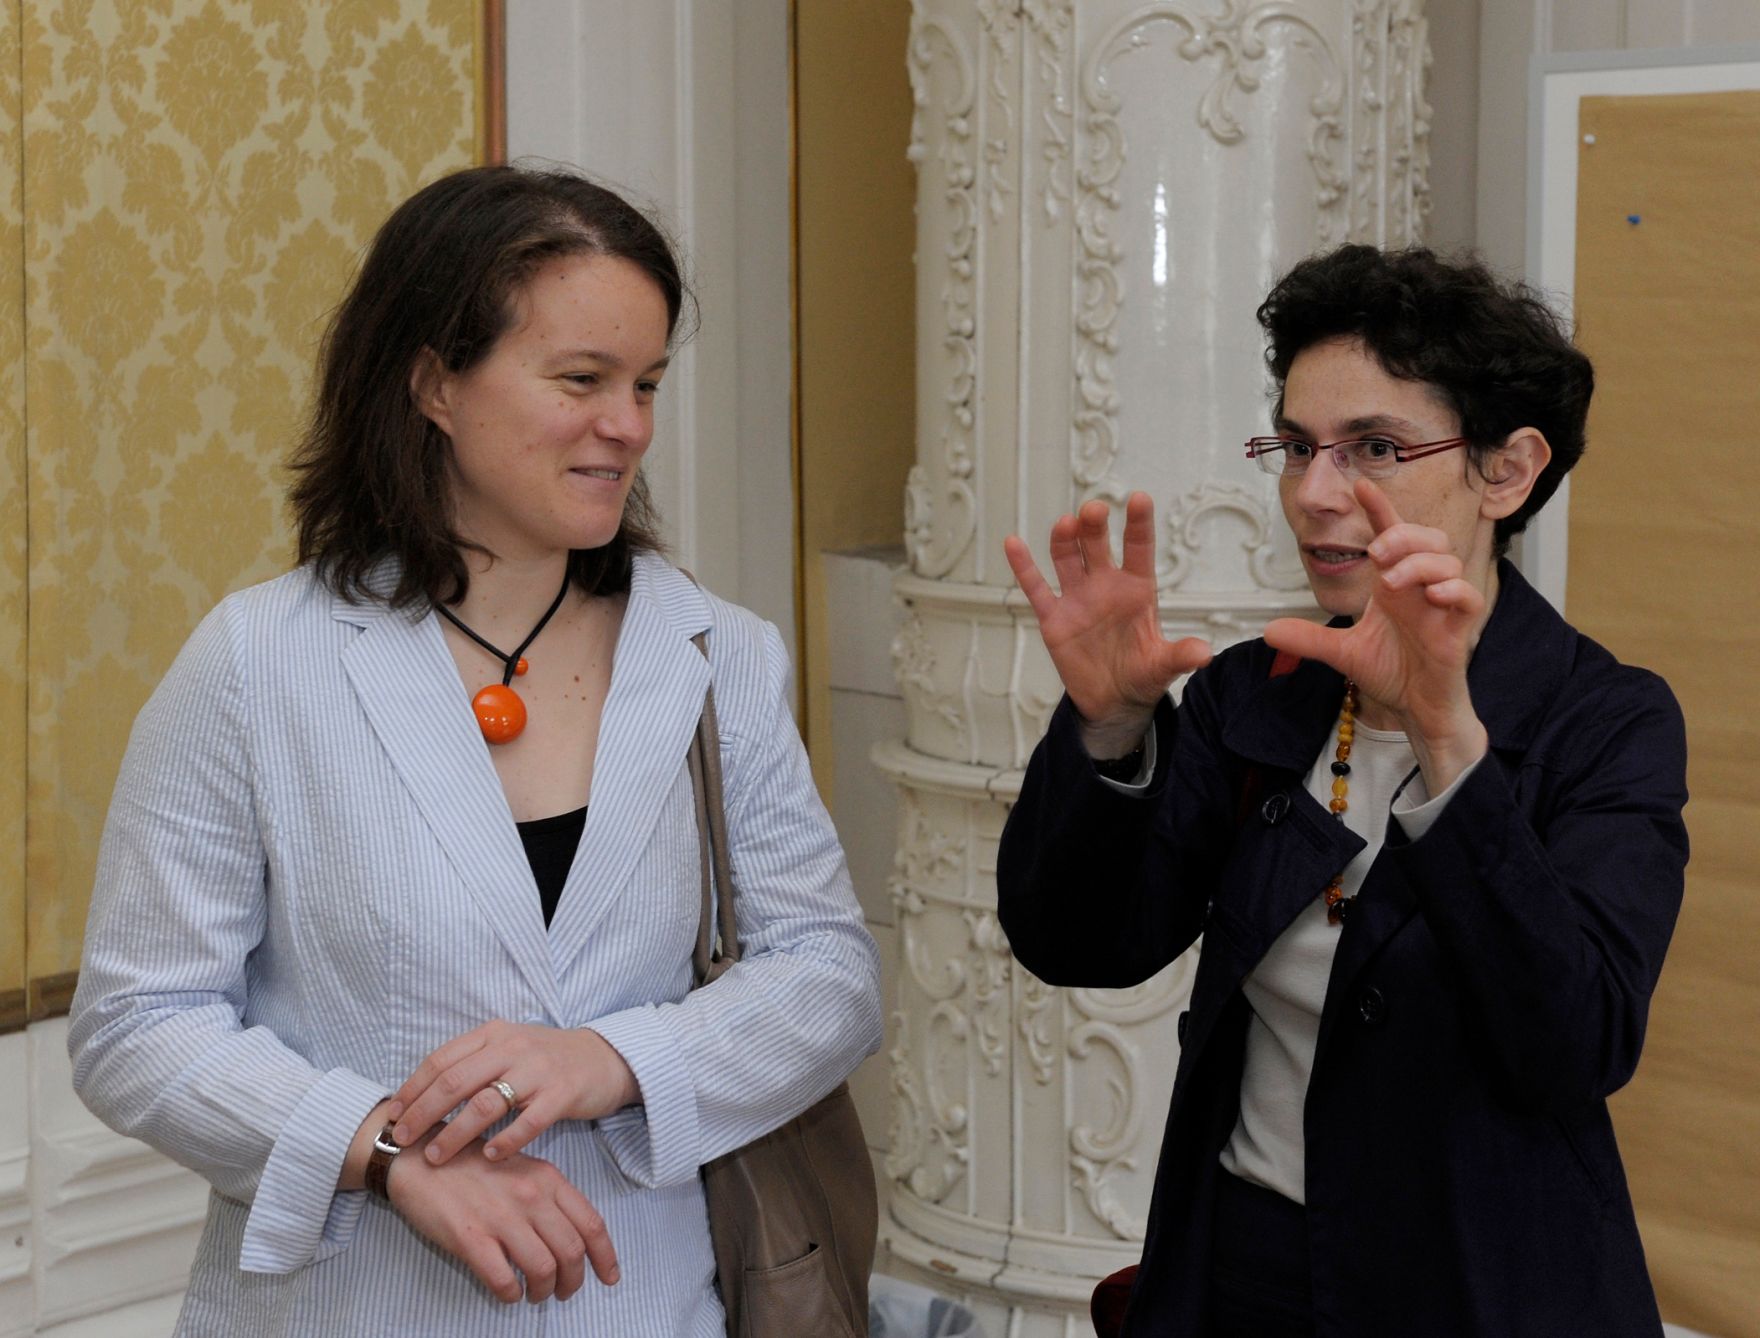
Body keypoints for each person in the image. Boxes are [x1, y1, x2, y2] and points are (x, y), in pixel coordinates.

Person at [68, 164, 882, 1336]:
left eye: (645, 384)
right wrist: (383, 1151)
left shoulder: (713, 653)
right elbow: (137, 1025)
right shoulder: (258, 662)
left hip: (646, 1304)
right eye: (581, 380)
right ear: (433, 382)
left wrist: (604, 1059)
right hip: (347, 1308)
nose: (629, 426)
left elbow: (827, 977)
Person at [997, 246, 1688, 1337]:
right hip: (1241, 1264)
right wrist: (1112, 726)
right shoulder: (1256, 693)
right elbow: (1079, 943)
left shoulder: (1604, 722)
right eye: (1294, 447)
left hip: (1475, 1282)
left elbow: (1573, 1044)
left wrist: (1447, 742)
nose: (1313, 495)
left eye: (1371, 448)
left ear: (1504, 471)